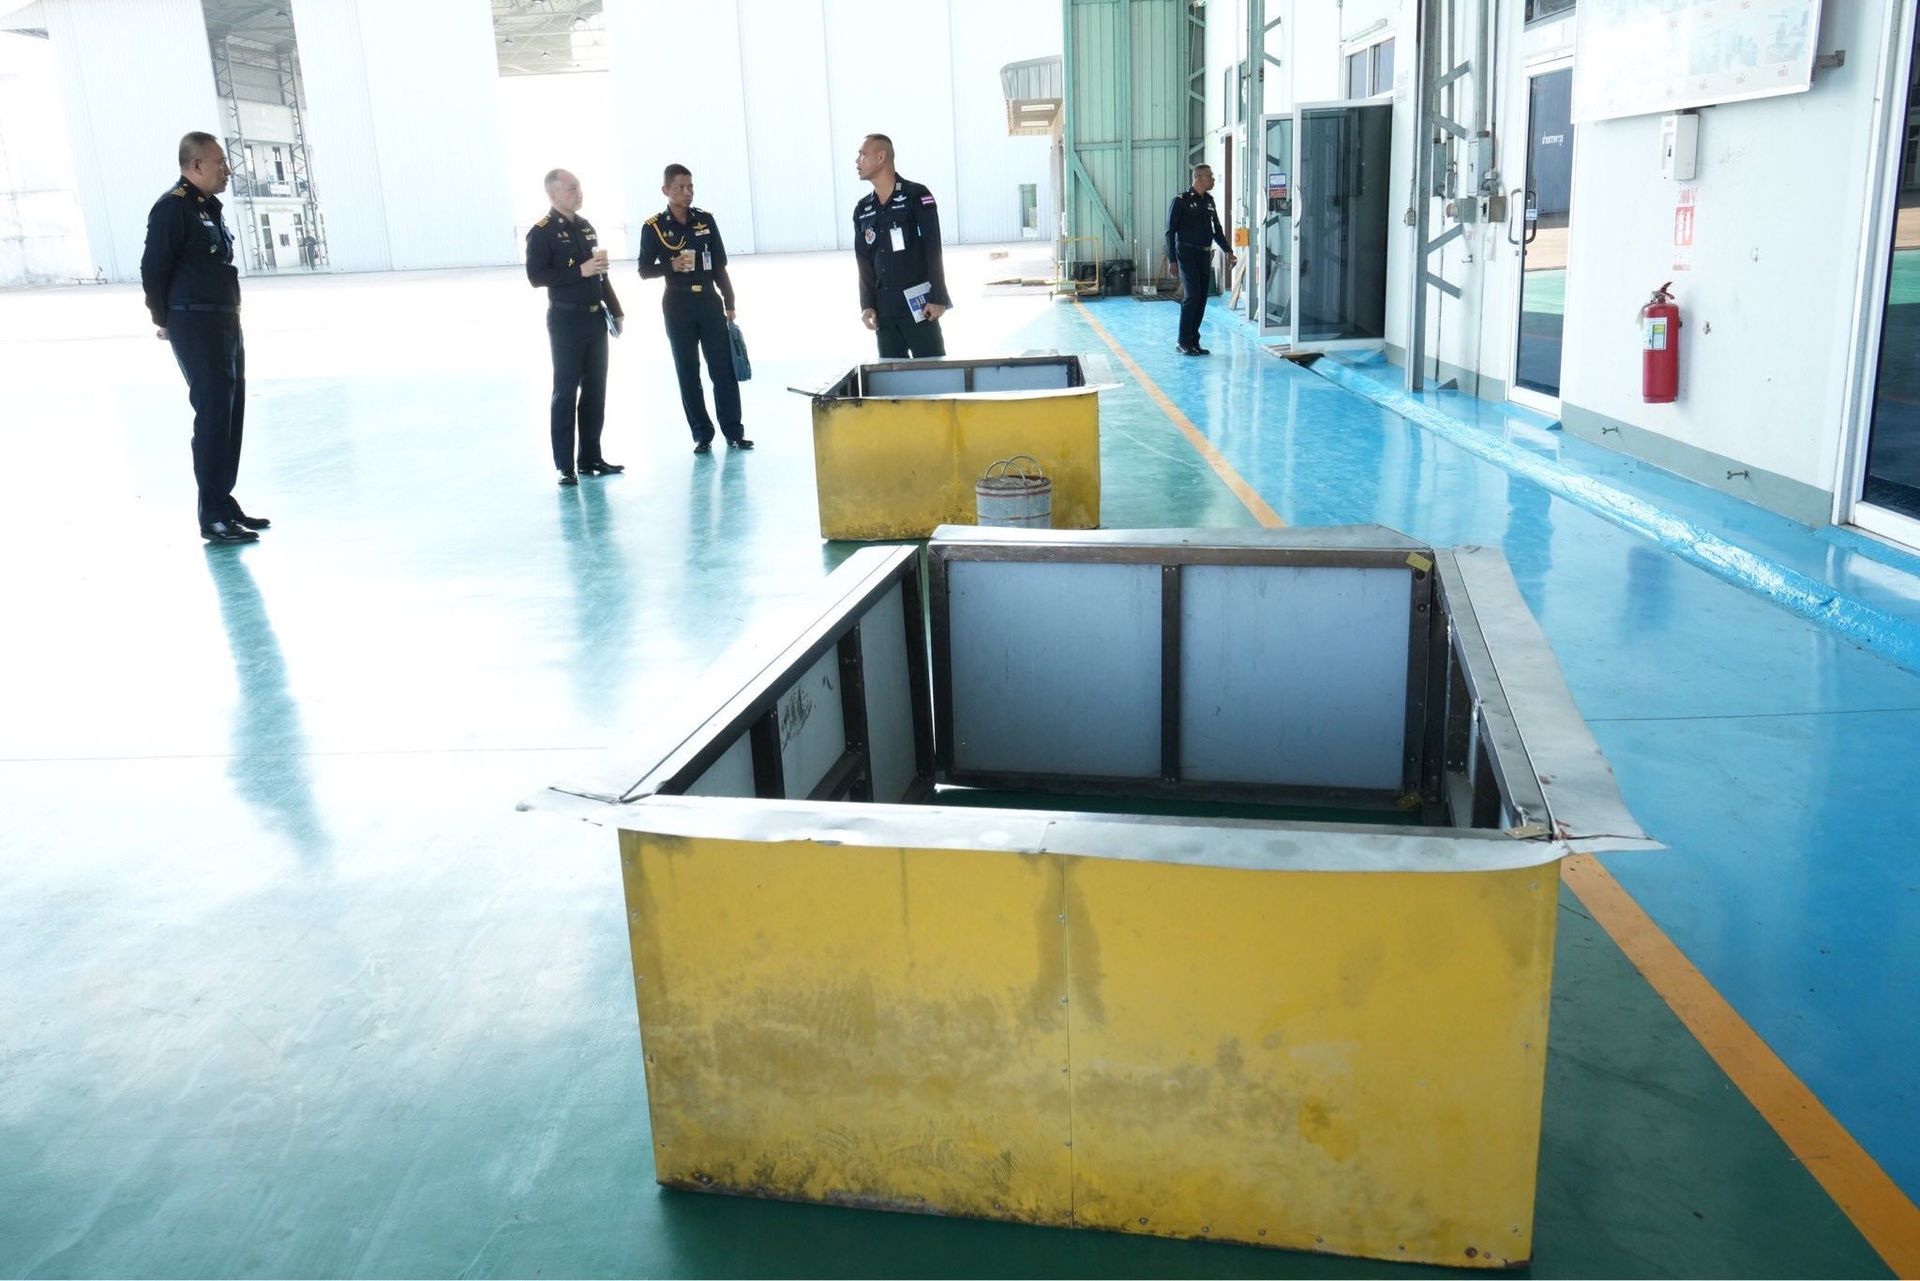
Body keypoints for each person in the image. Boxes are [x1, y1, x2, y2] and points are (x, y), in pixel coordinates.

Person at [142, 131, 264, 544]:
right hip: (195, 324)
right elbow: (153, 270)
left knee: (230, 414)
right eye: (219, 162)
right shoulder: (172, 209)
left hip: (225, 322)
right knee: (212, 416)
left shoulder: (207, 209)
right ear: (195, 166)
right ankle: (211, 516)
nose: (227, 170)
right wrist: (163, 319)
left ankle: (223, 502)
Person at [637, 164, 752, 454]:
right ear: (665, 190)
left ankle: (734, 432)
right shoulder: (653, 227)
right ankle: (702, 434)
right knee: (688, 372)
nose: (687, 192)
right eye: (680, 187)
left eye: (690, 186)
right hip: (677, 305)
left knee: (723, 370)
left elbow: (720, 266)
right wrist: (671, 265)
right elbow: (644, 270)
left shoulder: (705, 220)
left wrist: (729, 301)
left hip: (709, 302)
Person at [525, 168, 625, 485]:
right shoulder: (541, 232)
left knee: (595, 391)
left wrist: (616, 309)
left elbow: (600, 273)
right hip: (566, 321)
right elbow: (536, 277)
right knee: (566, 392)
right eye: (571, 188)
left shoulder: (586, 227)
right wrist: (579, 271)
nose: (578, 193)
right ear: (553, 194)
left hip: (595, 319)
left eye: (579, 187)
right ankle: (565, 465)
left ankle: (590, 457)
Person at [852, 133, 951, 358]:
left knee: (933, 372)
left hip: (920, 308)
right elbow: (863, 261)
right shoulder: (863, 209)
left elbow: (933, 249)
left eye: (863, 154)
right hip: (884, 313)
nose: (857, 161)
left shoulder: (917, 195)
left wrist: (938, 299)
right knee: (890, 374)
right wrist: (867, 304)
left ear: (881, 157)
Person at [1165, 163, 1236, 356]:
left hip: (1204, 254)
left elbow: (1216, 230)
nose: (1212, 180)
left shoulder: (1209, 201)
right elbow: (1170, 232)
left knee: (1202, 297)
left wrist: (1228, 250)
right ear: (1198, 178)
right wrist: (1172, 260)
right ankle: (1182, 341)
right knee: (1192, 296)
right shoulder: (1181, 201)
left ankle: (1194, 341)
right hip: (1186, 253)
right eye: (1209, 176)